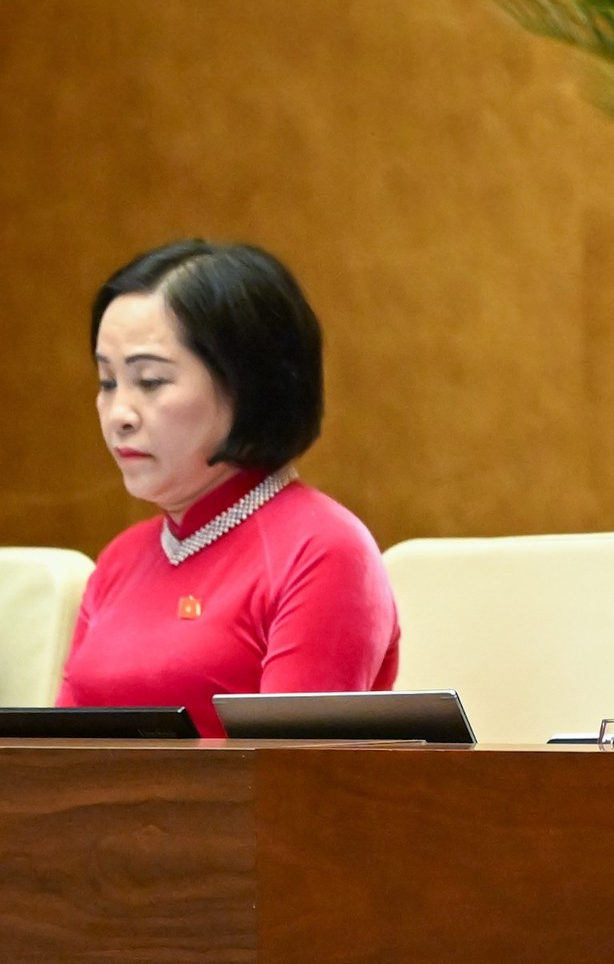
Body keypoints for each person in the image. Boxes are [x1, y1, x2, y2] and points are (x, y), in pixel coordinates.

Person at [58, 241, 399, 735]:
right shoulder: (120, 559)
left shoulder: (323, 550)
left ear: (247, 384)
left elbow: (289, 781)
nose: (119, 415)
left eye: (150, 381)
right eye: (108, 382)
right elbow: (49, 762)